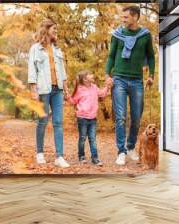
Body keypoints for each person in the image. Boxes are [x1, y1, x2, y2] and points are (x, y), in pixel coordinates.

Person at [105, 6, 155, 165]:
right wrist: (107, 75)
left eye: (126, 17)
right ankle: (121, 151)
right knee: (120, 117)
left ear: (135, 17)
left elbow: (151, 57)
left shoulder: (145, 35)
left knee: (136, 117)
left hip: (137, 80)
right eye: (123, 17)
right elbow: (111, 56)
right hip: (119, 79)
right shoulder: (118, 35)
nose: (123, 20)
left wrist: (151, 75)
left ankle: (130, 146)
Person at [27, 19, 70, 168]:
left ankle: (59, 156)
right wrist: (33, 90)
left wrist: (66, 89)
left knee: (58, 122)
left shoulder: (58, 50)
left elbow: (62, 72)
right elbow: (32, 70)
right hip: (43, 89)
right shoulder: (35, 49)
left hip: (57, 89)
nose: (56, 31)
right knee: (43, 122)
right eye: (54, 29)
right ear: (46, 30)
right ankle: (40, 153)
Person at [65, 70, 111, 166]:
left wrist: (107, 87)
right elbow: (73, 101)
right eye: (90, 74)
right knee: (82, 138)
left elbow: (102, 94)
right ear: (85, 79)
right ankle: (81, 156)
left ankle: (95, 158)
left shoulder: (94, 87)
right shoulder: (80, 89)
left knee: (92, 138)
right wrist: (68, 97)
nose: (92, 75)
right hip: (82, 118)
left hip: (93, 118)